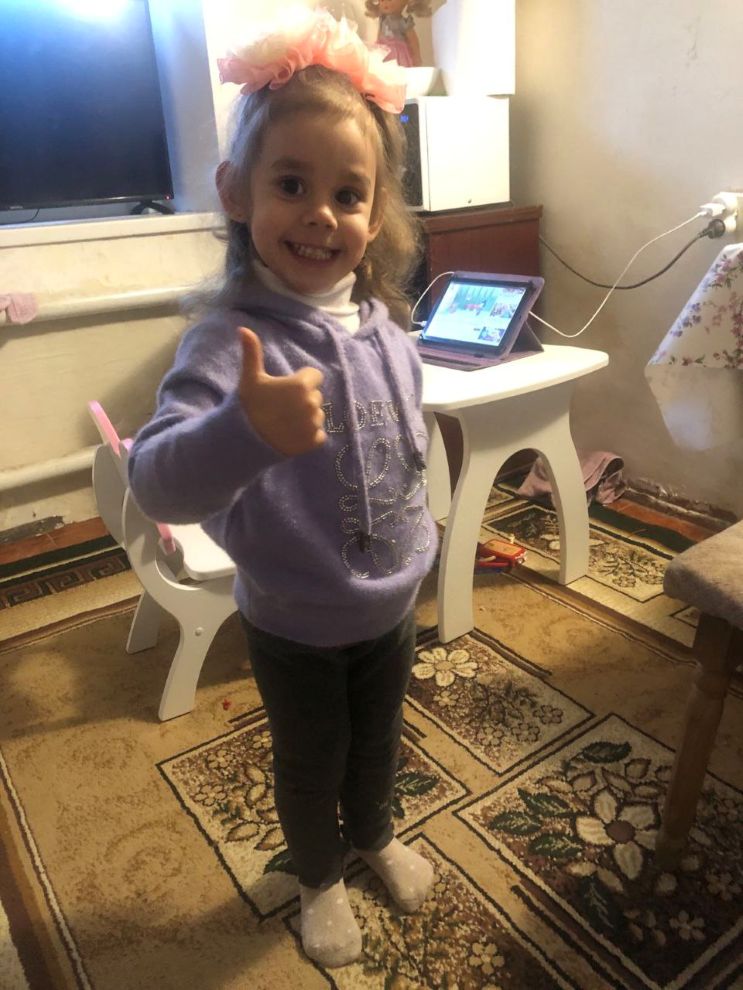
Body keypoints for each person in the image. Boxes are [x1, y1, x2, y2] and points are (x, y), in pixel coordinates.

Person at [127, 9, 437, 971]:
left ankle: (373, 834)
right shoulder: (231, 342)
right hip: (295, 619)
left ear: (375, 216)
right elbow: (155, 482)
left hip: (389, 605)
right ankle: (318, 878)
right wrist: (241, 429)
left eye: (348, 194)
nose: (320, 214)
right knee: (310, 762)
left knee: (378, 743)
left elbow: (406, 448)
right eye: (291, 184)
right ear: (236, 192)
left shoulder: (387, 327)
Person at [365, 0, 432, 68]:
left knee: (398, 67)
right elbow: (380, 33)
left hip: (397, 52)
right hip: (383, 49)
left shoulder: (403, 22)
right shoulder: (382, 19)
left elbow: (413, 39)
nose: (385, 3)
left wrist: (416, 56)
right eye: (382, 0)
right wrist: (377, 45)